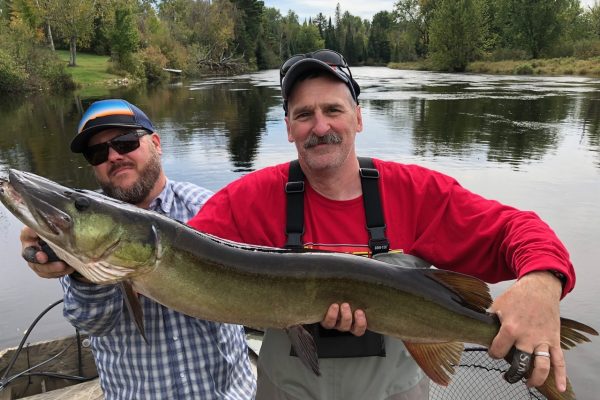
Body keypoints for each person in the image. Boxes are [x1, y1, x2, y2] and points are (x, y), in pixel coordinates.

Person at [187, 49, 574, 400]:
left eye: (333, 110)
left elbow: (515, 229)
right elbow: (185, 258)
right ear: (288, 127)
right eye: (304, 114)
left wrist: (541, 282)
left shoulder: (416, 193)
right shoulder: (249, 198)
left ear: (358, 118)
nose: (320, 127)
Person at [20, 99, 256, 400]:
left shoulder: (210, 208)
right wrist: (77, 271)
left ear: (156, 143)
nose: (114, 156)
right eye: (98, 152)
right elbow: (93, 322)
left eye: (126, 141)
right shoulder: (82, 226)